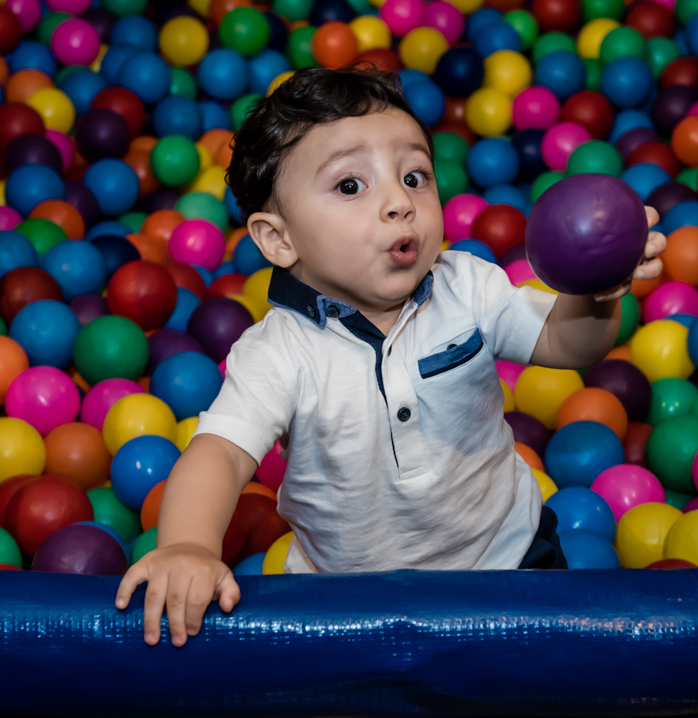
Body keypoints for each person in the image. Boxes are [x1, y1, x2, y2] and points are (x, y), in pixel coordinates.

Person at [115, 66, 665, 646]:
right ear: (279, 239)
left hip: (509, 559)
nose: (400, 202)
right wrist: (188, 546)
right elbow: (220, 455)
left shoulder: (468, 286)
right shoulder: (278, 352)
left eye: (414, 177)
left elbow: (567, 343)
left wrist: (597, 292)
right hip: (347, 601)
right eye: (352, 185)